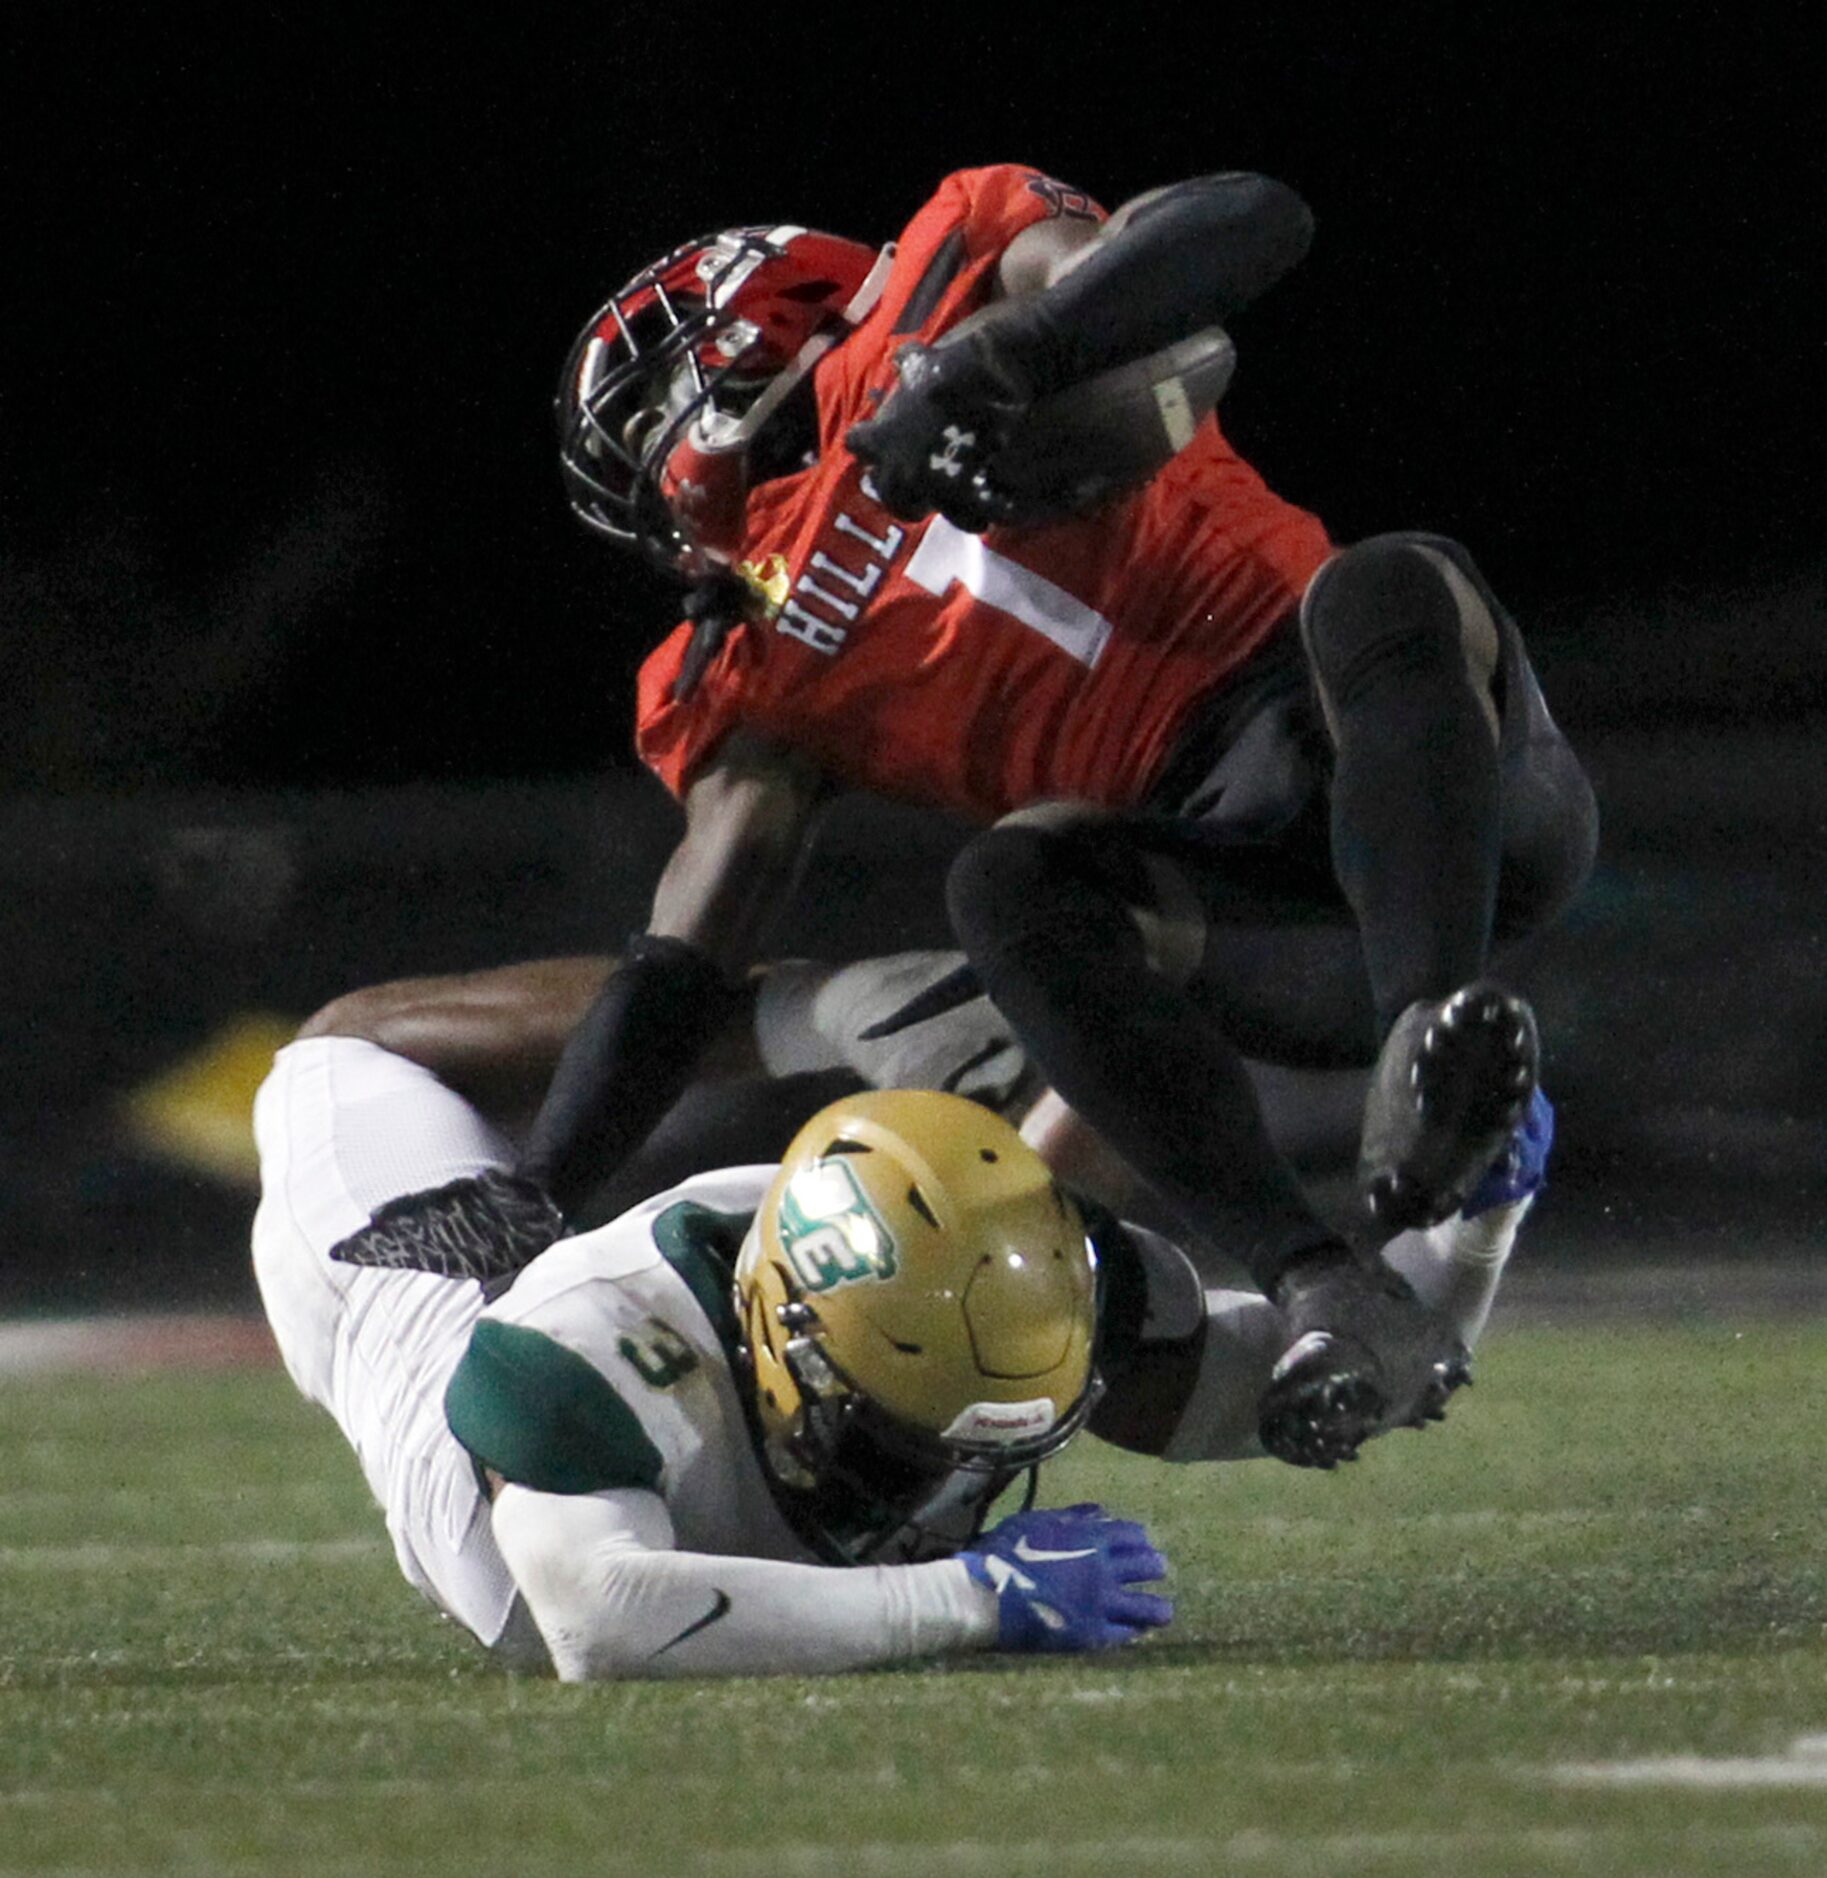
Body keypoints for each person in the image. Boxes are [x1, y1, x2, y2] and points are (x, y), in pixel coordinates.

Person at [434, 163, 1602, 1469]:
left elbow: (1252, 221)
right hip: (1259, 905)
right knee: (1007, 884)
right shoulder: (744, 663)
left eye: (647, 417)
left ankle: (1429, 1043)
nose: (660, 480)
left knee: (1383, 584)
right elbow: (682, 959)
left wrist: (1005, 361)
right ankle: (1321, 1281)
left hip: (1449, 781)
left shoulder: (960, 259)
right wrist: (537, 1188)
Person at [253, 1015, 1172, 1680]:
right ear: (791, 1339)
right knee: (336, 1053)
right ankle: (813, 1002)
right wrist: (972, 1596)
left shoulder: (1038, 1279)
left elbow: (1251, 1369)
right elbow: (596, 1617)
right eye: (897, 1431)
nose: (938, 1480)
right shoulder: (570, 1359)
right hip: (411, 1296)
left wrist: (1313, 1330)